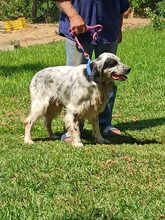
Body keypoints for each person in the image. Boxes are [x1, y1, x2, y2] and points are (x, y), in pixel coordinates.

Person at [56, 0, 130, 142]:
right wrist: (73, 16)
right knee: (75, 83)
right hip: (78, 28)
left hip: (108, 29)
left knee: (109, 79)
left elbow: (122, 4)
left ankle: (104, 125)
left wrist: (118, 28)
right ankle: (74, 130)